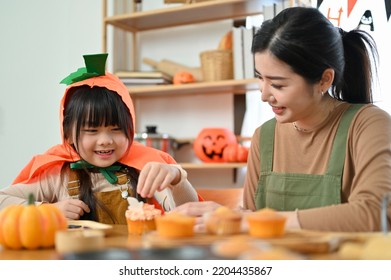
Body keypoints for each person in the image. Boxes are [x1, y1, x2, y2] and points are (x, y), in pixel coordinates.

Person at [174, 7, 391, 232]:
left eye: (278, 84)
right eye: (260, 78)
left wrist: (255, 221)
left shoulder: (368, 124)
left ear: (324, 80)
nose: (264, 95)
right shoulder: (264, 137)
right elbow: (249, 221)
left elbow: (376, 213)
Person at [0, 53, 199, 224]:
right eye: (92, 131)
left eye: (115, 129)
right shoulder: (58, 176)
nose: (105, 140)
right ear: (68, 134)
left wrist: (176, 178)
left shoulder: (145, 169)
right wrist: (47, 210)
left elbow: (188, 213)